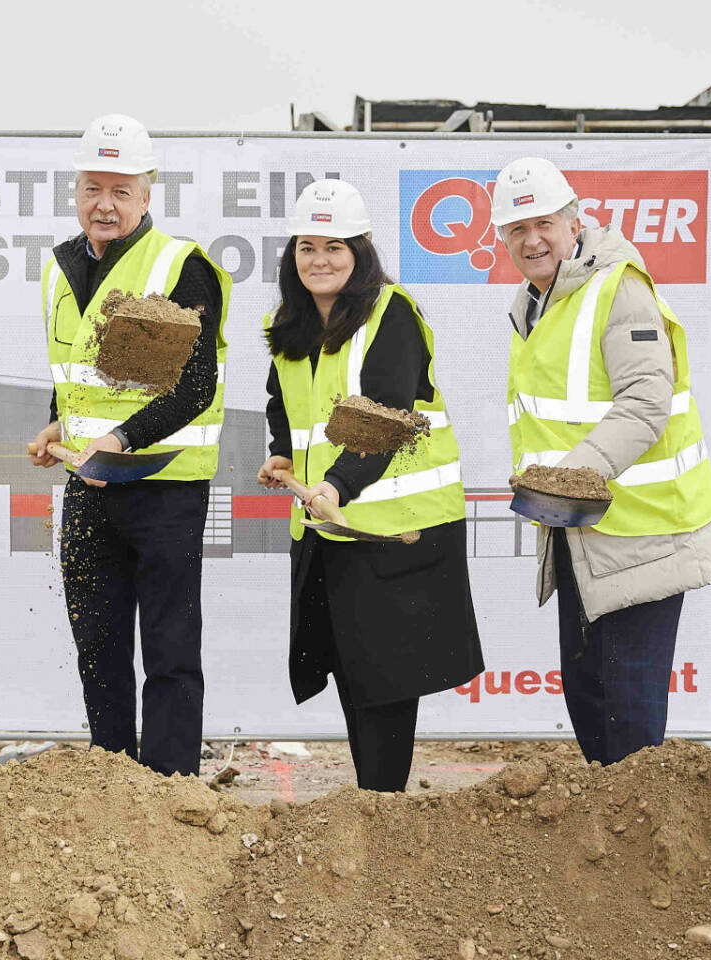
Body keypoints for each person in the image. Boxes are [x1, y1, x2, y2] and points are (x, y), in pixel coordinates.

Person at [493, 157, 711, 766]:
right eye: (517, 230)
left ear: (574, 222)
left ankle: (642, 851)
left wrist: (565, 476)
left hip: (644, 534)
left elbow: (647, 403)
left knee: (629, 712)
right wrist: (553, 486)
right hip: (580, 527)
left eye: (544, 223)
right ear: (503, 240)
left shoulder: (616, 286)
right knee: (589, 696)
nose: (532, 240)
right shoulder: (537, 301)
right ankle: (609, 842)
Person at [257, 180, 483, 792]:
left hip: (394, 531)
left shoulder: (392, 313)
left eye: (334, 246)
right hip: (331, 525)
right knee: (353, 668)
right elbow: (283, 403)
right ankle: (373, 802)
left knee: (385, 677)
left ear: (361, 251)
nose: (319, 260)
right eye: (307, 246)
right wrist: (282, 456)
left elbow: (384, 418)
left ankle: (383, 807)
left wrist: (335, 484)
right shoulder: (291, 322)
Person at [26, 114, 231, 777]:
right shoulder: (60, 268)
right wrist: (58, 421)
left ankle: (171, 794)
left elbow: (195, 386)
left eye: (120, 190)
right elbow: (78, 368)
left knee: (170, 650)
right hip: (89, 487)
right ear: (75, 190)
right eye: (92, 188)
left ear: (147, 194)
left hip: (164, 486)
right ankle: (112, 786)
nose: (104, 204)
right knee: (99, 645)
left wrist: (120, 438)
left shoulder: (180, 266)